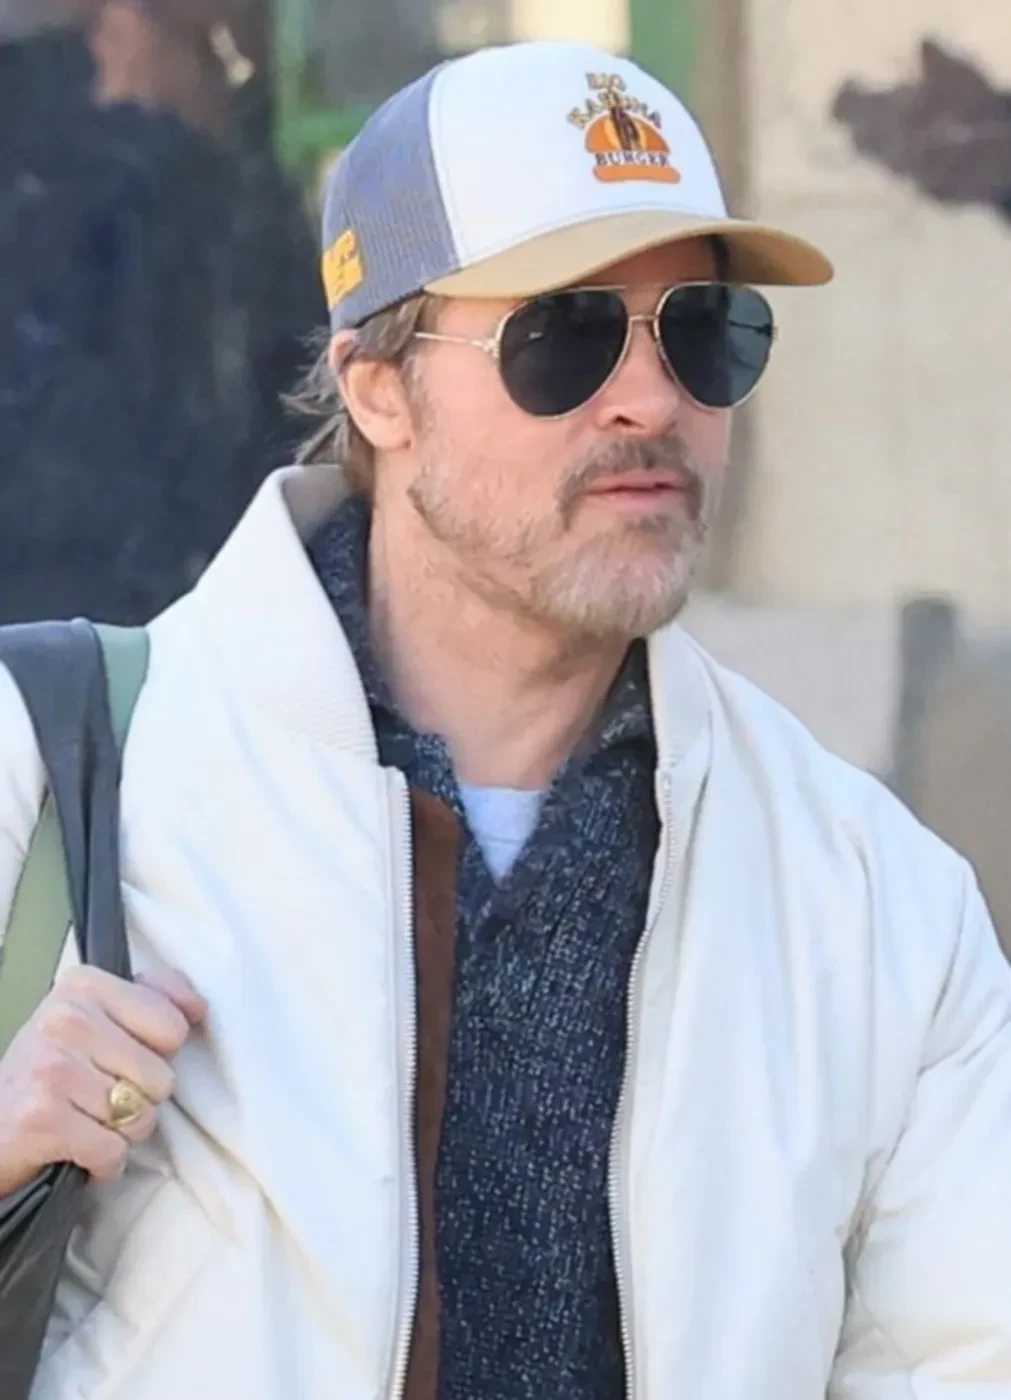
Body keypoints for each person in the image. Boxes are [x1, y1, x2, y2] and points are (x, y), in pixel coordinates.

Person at [0, 37, 1009, 1400]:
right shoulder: (50, 778)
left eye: (703, 333)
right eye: (563, 334)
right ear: (378, 386)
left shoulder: (876, 907)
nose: (652, 399)